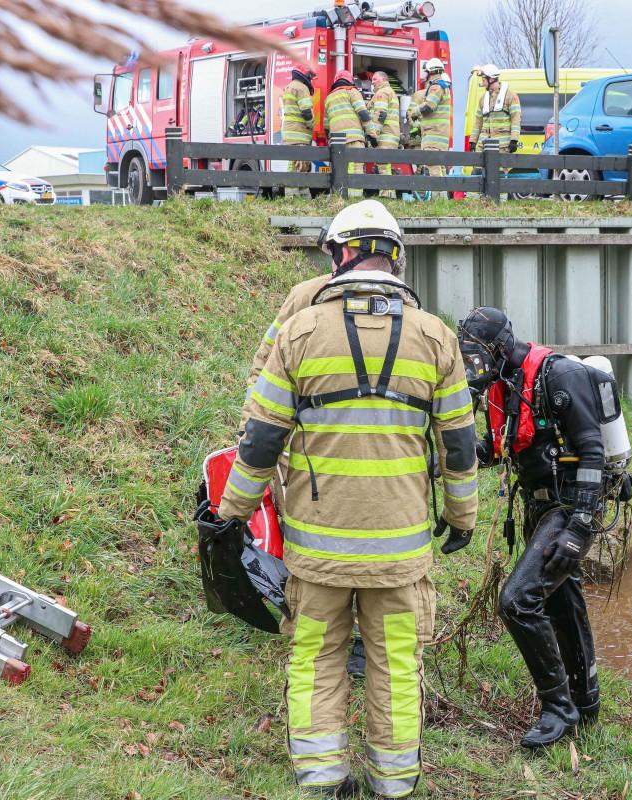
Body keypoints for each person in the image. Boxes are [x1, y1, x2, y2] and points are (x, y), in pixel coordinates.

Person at [217, 199, 478, 797]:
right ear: (395, 256)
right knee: (395, 666)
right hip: (400, 554)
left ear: (338, 255)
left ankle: (321, 778)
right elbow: (460, 447)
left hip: (317, 551)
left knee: (315, 657)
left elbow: (260, 441)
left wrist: (232, 513)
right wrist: (461, 519)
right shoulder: (436, 337)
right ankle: (393, 784)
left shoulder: (300, 331)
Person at [456, 308, 621, 749]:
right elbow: (494, 450)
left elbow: (592, 454)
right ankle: (585, 704)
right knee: (564, 603)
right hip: (538, 506)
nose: (472, 367)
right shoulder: (501, 387)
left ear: (501, 348)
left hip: (569, 508)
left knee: (518, 601)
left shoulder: (560, 376)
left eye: (476, 358)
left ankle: (557, 708)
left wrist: (579, 527)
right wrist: (447, 454)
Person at [324, 70, 372, 196]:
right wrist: (372, 134)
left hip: (336, 144)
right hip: (354, 139)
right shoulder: (352, 92)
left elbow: (326, 125)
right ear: (350, 81)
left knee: (339, 172)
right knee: (355, 170)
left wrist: (329, 140)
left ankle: (339, 198)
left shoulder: (329, 98)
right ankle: (354, 199)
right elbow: (363, 114)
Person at [410, 58, 451, 191]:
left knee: (433, 165)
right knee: (440, 166)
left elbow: (428, 107)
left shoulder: (436, 87)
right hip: (440, 134)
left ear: (431, 72)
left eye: (426, 71)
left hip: (433, 133)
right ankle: (443, 198)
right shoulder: (443, 86)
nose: (424, 74)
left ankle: (438, 197)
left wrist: (414, 112)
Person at [470, 64, 521, 154]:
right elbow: (478, 122)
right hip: (483, 147)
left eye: (484, 80)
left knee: (499, 169)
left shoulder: (510, 96)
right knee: (477, 168)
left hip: (502, 147)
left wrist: (514, 140)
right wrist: (473, 141)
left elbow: (516, 119)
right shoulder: (483, 99)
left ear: (491, 79)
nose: (483, 83)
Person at [365, 72, 401, 199]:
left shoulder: (382, 93)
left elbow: (380, 115)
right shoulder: (389, 92)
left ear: (384, 79)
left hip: (385, 135)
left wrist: (373, 135)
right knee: (385, 165)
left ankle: (387, 195)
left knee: (383, 165)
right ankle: (388, 194)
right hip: (391, 134)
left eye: (375, 79)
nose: (372, 81)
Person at [282, 67, 317, 173]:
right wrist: (311, 124)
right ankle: (293, 189)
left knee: (294, 163)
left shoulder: (289, 87)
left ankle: (296, 189)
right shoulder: (302, 88)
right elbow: (306, 111)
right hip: (299, 133)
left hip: (289, 133)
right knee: (300, 166)